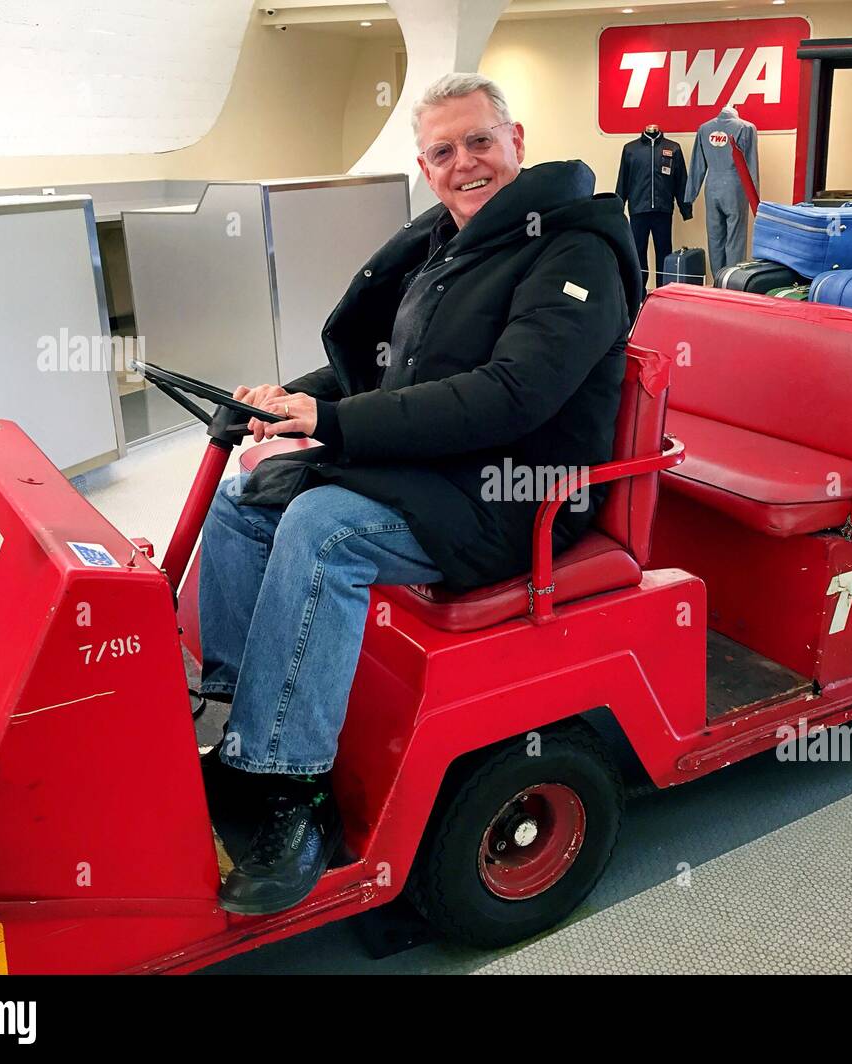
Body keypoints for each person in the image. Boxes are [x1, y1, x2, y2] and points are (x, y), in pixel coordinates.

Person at [197, 71, 642, 915]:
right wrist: (284, 404)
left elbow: (515, 393)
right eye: (444, 151)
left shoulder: (573, 250)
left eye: (480, 141)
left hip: (517, 492)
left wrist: (332, 420)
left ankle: (292, 792)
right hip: (442, 466)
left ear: (518, 140)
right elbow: (390, 371)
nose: (465, 163)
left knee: (324, 527)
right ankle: (234, 713)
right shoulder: (451, 243)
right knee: (243, 503)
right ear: (425, 166)